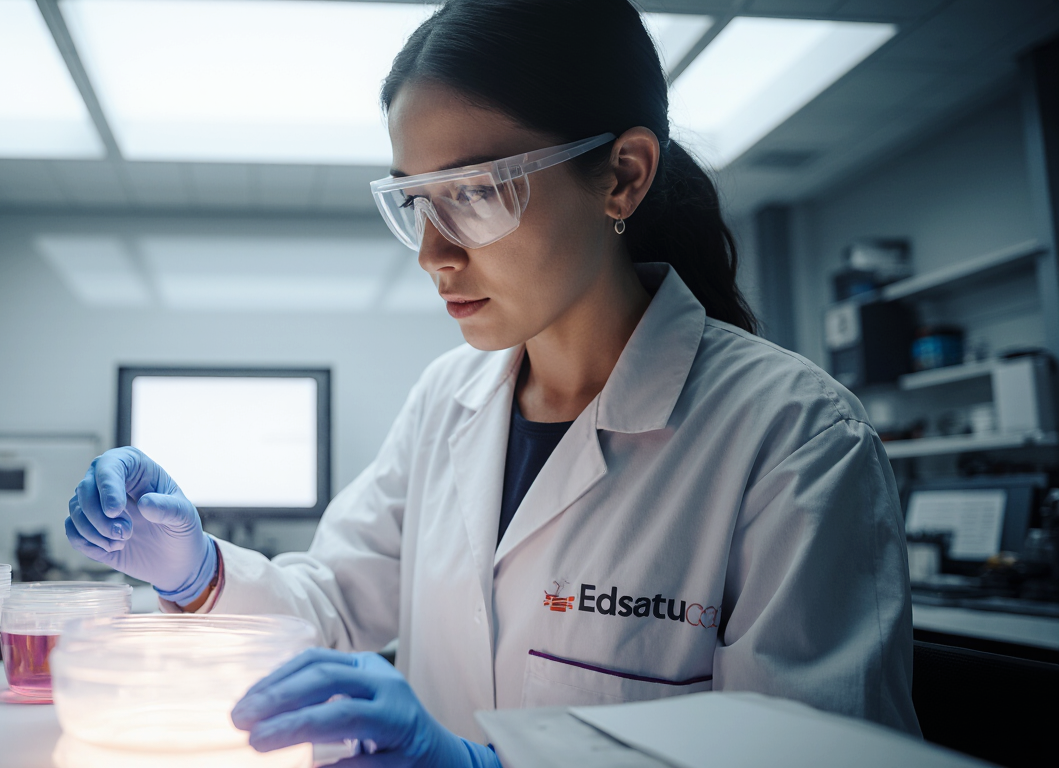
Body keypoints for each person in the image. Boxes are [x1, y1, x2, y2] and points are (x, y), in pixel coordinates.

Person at [64, 0, 920, 764]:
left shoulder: (793, 441)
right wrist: (194, 569)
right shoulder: (448, 398)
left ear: (621, 174)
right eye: (414, 203)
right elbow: (330, 607)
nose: (435, 254)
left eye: (473, 192)